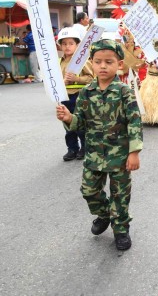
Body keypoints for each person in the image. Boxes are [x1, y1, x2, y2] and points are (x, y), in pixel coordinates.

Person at [55, 39, 143, 251]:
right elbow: (80, 122)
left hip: (120, 154)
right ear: (91, 64)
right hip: (94, 154)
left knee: (120, 194)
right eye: (98, 61)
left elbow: (134, 121)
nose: (103, 66)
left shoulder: (123, 91)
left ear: (119, 64)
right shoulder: (86, 92)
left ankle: (121, 229)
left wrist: (134, 152)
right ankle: (104, 215)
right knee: (89, 191)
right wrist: (68, 119)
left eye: (109, 61)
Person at [58, 27, 93, 161]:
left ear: (77, 45)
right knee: (67, 125)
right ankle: (72, 149)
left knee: (80, 124)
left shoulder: (81, 61)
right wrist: (63, 83)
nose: (67, 46)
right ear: (60, 45)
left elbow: (91, 78)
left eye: (71, 43)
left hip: (79, 96)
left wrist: (76, 79)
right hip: (64, 97)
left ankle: (85, 147)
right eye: (64, 43)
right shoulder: (59, 62)